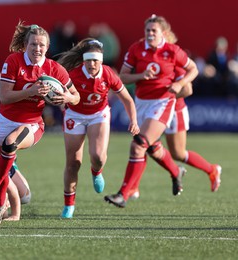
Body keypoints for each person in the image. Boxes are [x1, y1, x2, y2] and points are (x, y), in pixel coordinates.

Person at [0, 21, 80, 227]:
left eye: (41, 45)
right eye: (33, 44)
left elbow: (76, 97)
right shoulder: (13, 61)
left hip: (32, 124)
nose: (37, 49)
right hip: (4, 119)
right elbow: (5, 97)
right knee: (0, 165)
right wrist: (31, 91)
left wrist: (67, 98)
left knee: (10, 144)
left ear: (48, 46)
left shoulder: (54, 69)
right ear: (25, 45)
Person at [104, 14, 199, 208]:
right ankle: (175, 172)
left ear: (162, 33)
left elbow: (194, 69)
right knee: (150, 146)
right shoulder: (136, 49)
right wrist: (141, 75)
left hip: (163, 102)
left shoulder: (172, 51)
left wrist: (180, 83)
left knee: (139, 144)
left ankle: (123, 193)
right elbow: (122, 77)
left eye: (153, 30)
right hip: (142, 103)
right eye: (147, 30)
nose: (150, 34)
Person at [127, 30, 222, 200]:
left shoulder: (173, 59)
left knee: (177, 153)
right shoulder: (146, 57)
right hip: (153, 108)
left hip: (174, 109)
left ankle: (211, 169)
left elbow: (188, 89)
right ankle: (133, 187)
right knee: (144, 144)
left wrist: (162, 97)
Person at [55, 38, 140, 218]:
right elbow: (61, 94)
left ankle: (96, 171)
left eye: (96, 60)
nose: (92, 64)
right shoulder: (74, 75)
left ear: (101, 60)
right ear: (83, 60)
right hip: (75, 116)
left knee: (98, 156)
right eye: (89, 60)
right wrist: (64, 99)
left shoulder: (108, 74)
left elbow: (127, 99)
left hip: (98, 115)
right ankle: (69, 205)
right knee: (73, 164)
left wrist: (133, 120)